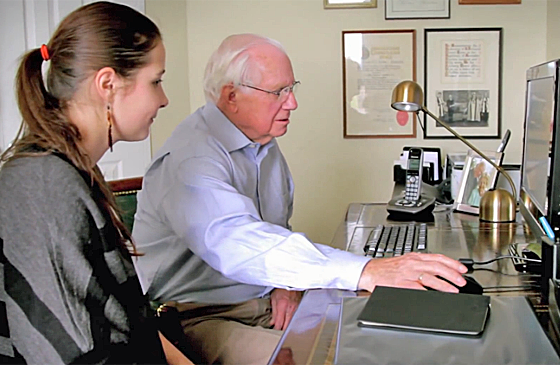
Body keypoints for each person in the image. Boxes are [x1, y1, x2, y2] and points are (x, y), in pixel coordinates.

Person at [132, 33, 468, 365]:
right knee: (333, 359)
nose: (292, 103)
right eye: (278, 92)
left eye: (292, 89)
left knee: (379, 339)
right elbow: (238, 242)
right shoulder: (191, 158)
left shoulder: (262, 143)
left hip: (264, 302)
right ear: (231, 96)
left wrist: (286, 284)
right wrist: (367, 269)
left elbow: (273, 233)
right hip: (198, 318)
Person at [0, 2, 193, 364]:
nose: (163, 99)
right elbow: (70, 350)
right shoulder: (44, 184)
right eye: (156, 81)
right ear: (108, 84)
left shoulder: (70, 170)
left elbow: (127, 316)